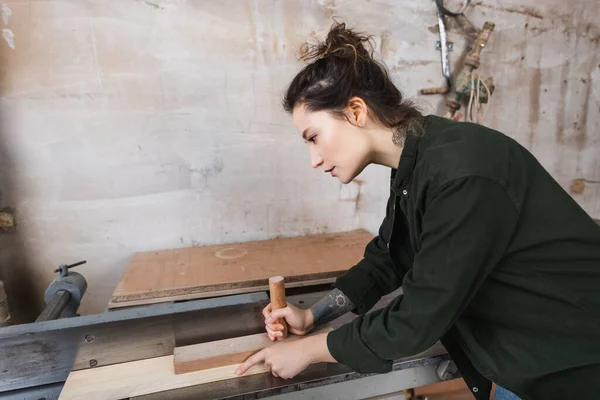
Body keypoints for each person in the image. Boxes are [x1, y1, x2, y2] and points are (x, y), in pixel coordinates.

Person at [234, 22, 600, 400]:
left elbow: (419, 318)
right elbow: (390, 255)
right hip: (526, 354)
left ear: (356, 111)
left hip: (573, 360)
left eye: (313, 137)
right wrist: (314, 315)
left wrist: (310, 350)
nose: (313, 159)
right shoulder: (418, 159)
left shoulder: (460, 171)